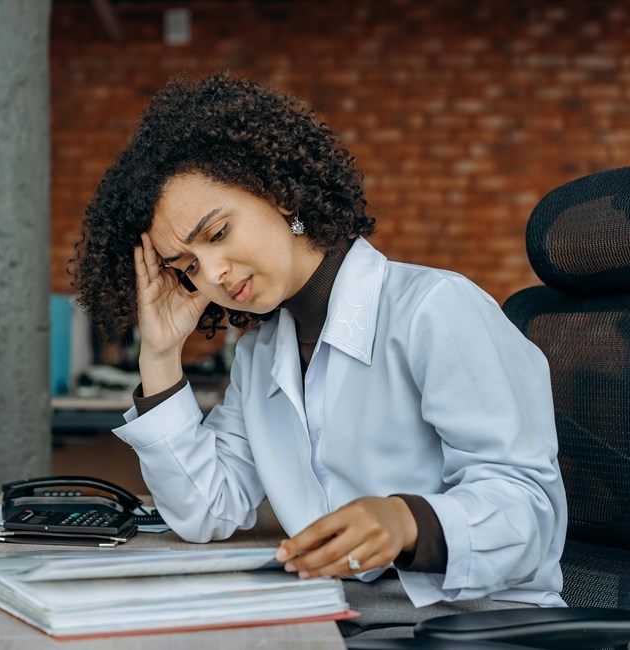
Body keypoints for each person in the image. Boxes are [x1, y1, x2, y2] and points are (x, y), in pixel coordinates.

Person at [70, 73, 567, 638]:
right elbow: (208, 512)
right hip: (340, 620)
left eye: (218, 233)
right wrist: (159, 357)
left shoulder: (434, 309)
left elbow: (531, 510)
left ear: (278, 191)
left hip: (474, 625)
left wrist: (408, 521)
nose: (211, 274)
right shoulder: (262, 352)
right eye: (186, 266)